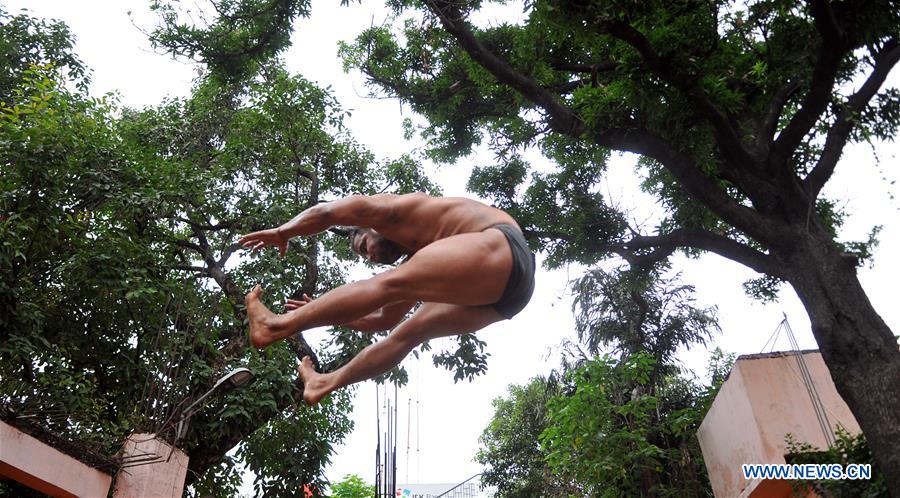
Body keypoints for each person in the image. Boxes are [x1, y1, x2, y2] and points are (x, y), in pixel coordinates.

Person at [238, 192, 535, 404]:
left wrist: (283, 232)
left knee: (388, 284)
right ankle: (324, 382)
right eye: (364, 256)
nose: (370, 256)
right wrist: (320, 311)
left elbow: (328, 213)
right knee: (406, 334)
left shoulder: (398, 209)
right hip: (509, 300)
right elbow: (383, 320)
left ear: (371, 228)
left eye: (364, 245)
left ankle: (275, 325)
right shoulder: (426, 259)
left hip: (504, 245)